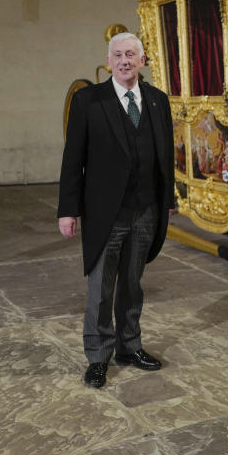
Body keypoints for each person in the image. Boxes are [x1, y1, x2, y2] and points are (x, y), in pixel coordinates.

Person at [57, 32, 175, 389]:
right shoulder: (89, 101)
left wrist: (167, 201)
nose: (125, 61)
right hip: (105, 212)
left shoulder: (157, 101)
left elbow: (166, 157)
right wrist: (68, 210)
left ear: (141, 61)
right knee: (101, 289)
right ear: (108, 61)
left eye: (131, 55)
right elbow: (72, 159)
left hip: (145, 211)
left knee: (132, 286)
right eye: (118, 55)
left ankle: (129, 346)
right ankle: (97, 358)